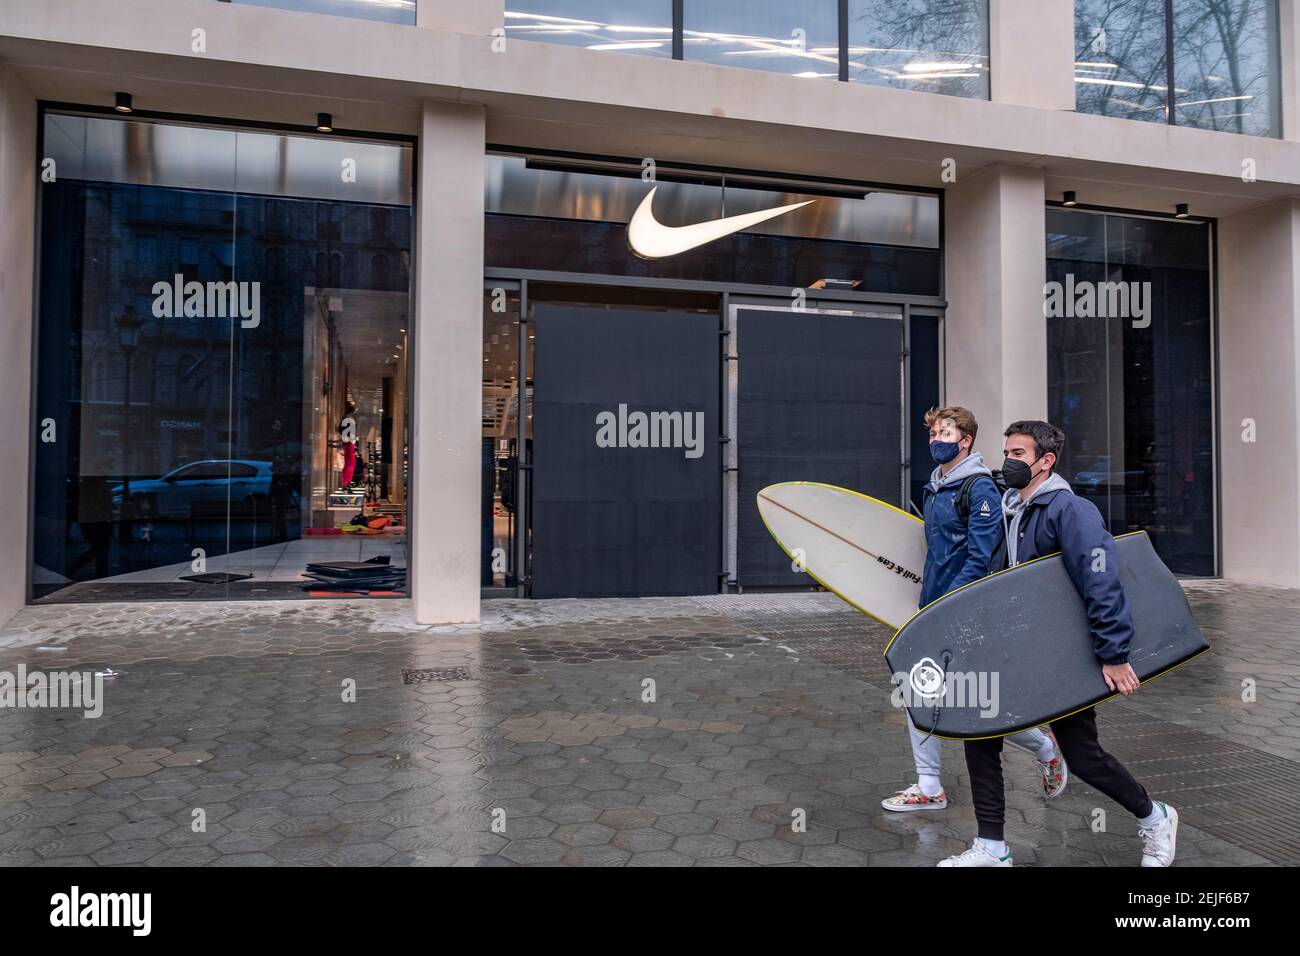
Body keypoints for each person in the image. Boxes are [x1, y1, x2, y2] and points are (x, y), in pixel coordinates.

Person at [939, 419, 1178, 867]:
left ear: (1046, 461)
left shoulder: (1071, 511)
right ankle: (992, 847)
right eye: (1006, 452)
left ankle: (1154, 817)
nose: (1008, 461)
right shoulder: (1011, 509)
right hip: (1010, 651)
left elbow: (1102, 580)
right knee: (980, 737)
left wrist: (1112, 653)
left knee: (1083, 755)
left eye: (1018, 455)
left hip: (1059, 657)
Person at [882, 407, 1067, 813]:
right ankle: (929, 785)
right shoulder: (936, 487)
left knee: (973, 702)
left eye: (945, 432)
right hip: (933, 605)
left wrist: (952, 604)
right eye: (933, 432)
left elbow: (981, 557)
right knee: (920, 689)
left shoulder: (978, 488)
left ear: (965, 439)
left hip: (962, 609)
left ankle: (1043, 746)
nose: (936, 439)